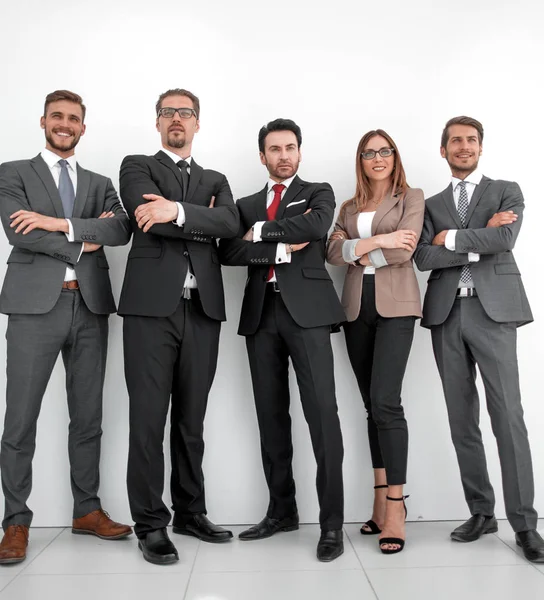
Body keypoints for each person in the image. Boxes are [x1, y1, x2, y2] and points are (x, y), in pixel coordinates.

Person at [0, 90, 132, 565]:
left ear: (83, 127)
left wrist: (56, 224)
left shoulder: (99, 182)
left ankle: (86, 510)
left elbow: (119, 229)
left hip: (91, 307)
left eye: (73, 118)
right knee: (20, 419)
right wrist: (82, 239)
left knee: (88, 416)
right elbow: (20, 231)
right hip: (35, 308)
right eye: (57, 116)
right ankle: (15, 520)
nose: (65, 124)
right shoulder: (12, 172)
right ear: (43, 121)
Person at [414, 116, 544, 563]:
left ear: (481, 147)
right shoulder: (430, 203)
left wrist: (452, 237)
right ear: (443, 149)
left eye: (470, 140)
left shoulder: (507, 190)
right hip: (448, 313)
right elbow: (423, 255)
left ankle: (525, 523)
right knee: (461, 417)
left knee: (508, 414)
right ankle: (481, 511)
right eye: (455, 141)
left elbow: (505, 237)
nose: (463, 147)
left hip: (495, 312)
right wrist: (476, 239)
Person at [118, 88, 239, 565]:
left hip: (202, 309)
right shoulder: (137, 166)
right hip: (151, 310)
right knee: (148, 419)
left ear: (197, 123)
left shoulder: (216, 176)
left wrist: (177, 210)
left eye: (185, 113)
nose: (176, 119)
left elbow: (230, 222)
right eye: (168, 112)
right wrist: (194, 218)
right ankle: (150, 522)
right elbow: (143, 215)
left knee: (192, 420)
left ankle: (191, 511)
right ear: (157, 122)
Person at [218, 118, 346, 562]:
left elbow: (315, 228)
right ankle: (282, 511)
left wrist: (261, 231)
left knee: (322, 416)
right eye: (275, 149)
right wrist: (274, 246)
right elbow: (227, 251)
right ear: (262, 156)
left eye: (290, 147)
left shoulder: (318, 193)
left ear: (300, 151)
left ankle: (332, 524)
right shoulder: (247, 201)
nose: (284, 155)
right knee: (271, 417)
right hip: (261, 314)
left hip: (307, 314)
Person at [327, 129, 423, 554]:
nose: (378, 158)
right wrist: (380, 240)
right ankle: (379, 499)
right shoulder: (348, 206)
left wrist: (359, 251)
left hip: (396, 307)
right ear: (361, 160)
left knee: (387, 401)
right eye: (369, 152)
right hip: (355, 308)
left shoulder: (411, 198)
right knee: (372, 405)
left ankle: (397, 504)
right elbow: (330, 252)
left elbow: (406, 251)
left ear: (394, 156)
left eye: (385, 151)